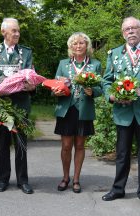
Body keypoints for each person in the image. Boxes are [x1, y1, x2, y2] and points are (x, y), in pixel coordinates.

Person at [0, 18, 35, 194]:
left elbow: (30, 74)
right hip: (2, 105)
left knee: (21, 143)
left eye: (18, 31)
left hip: (20, 104)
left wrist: (30, 84)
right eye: (14, 31)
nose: (17, 34)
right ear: (3, 32)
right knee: (3, 144)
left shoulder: (26, 52)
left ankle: (23, 180)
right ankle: (3, 179)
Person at [52, 32, 102, 193]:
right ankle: (65, 177)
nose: (78, 46)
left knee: (80, 145)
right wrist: (57, 91)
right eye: (75, 44)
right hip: (67, 109)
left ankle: (76, 179)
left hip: (84, 110)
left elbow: (101, 88)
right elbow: (54, 86)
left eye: (81, 43)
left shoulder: (95, 64)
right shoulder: (63, 64)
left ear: (87, 46)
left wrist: (92, 91)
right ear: (70, 47)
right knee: (66, 146)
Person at [102, 16, 140, 201]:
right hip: (123, 112)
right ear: (122, 33)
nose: (131, 31)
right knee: (122, 154)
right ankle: (118, 189)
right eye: (127, 29)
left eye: (134, 28)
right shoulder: (114, 53)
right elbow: (106, 80)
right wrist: (111, 95)